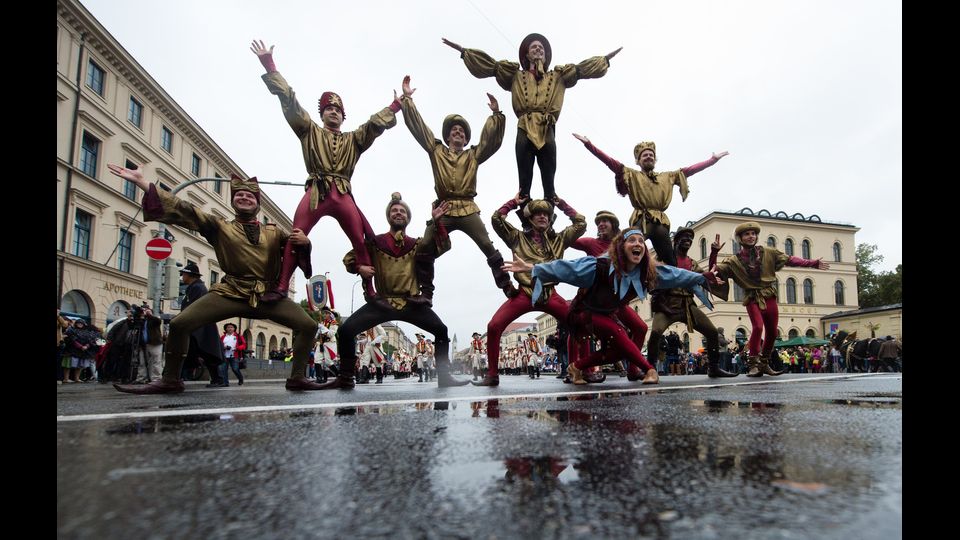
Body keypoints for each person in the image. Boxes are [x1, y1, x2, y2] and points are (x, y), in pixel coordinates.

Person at [107, 164, 322, 393]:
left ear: (257, 204)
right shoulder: (218, 226)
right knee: (180, 324)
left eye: (250, 195)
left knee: (308, 325)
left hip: (268, 295)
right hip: (231, 291)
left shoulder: (274, 232)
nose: (244, 198)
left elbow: (294, 253)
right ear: (233, 202)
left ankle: (298, 377)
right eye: (239, 195)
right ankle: (170, 380)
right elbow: (185, 210)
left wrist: (305, 244)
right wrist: (143, 183)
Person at [250, 39, 401, 303]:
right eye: (329, 109)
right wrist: (269, 64)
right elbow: (289, 100)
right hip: (316, 192)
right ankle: (282, 285)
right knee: (296, 234)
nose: (333, 112)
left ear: (344, 116)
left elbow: (374, 125)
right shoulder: (309, 130)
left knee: (361, 240)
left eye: (338, 110)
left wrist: (395, 107)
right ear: (322, 114)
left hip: (342, 192)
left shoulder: (353, 139)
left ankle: (370, 290)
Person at [502, 227, 720, 385]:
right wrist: (532, 267)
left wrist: (704, 277)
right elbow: (564, 268)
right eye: (632, 240)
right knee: (619, 333)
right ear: (620, 247)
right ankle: (649, 370)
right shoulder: (598, 266)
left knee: (616, 352)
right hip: (584, 313)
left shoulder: (649, 273)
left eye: (641, 241)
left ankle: (577, 367)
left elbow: (678, 275)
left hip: (607, 314)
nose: (638, 244)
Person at [442, 34, 621, 220]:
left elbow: (582, 70)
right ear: (526, 55)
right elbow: (491, 66)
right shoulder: (515, 75)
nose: (538, 49)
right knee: (524, 182)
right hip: (524, 127)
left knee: (549, 181)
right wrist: (464, 52)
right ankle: (526, 218)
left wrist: (605, 60)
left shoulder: (559, 75)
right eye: (534, 47)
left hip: (547, 128)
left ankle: (549, 215)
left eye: (541, 48)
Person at [322, 193, 471, 389]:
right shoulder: (375, 242)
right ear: (388, 216)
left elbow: (443, 246)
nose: (398, 213)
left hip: (411, 302)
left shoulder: (417, 245)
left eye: (402, 211)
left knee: (441, 330)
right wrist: (360, 268)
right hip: (381, 302)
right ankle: (346, 377)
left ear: (408, 218)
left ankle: (444, 377)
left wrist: (437, 223)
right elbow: (350, 259)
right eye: (394, 210)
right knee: (346, 330)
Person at [396, 75, 514, 303]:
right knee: (425, 245)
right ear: (448, 135)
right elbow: (419, 129)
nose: (458, 133)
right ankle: (426, 292)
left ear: (466, 137)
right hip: (443, 209)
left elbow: (492, 143)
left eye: (462, 131)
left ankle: (506, 284)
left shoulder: (473, 155)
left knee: (487, 244)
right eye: (454, 130)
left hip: (468, 207)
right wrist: (408, 101)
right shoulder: (436, 149)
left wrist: (497, 116)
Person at [475, 194, 586, 386]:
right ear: (529, 218)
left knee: (579, 323)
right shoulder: (516, 237)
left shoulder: (559, 240)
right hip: (524, 293)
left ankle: (579, 370)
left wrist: (561, 204)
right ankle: (492, 374)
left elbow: (581, 224)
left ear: (550, 218)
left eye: (546, 214)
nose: (542, 216)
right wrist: (513, 202)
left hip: (549, 293)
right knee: (493, 327)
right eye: (537, 214)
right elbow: (496, 219)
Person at [572, 134, 728, 266]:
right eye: (644, 155)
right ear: (638, 161)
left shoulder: (668, 176)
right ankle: (606, 263)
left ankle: (674, 283)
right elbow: (610, 163)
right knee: (623, 246)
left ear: (655, 159)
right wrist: (589, 144)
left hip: (660, 222)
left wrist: (712, 160)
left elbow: (689, 171)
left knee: (670, 260)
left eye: (651, 154)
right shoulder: (632, 174)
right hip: (642, 219)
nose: (648, 156)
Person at [712, 222, 830, 377]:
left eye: (753, 233)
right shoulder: (733, 261)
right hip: (752, 297)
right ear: (739, 238)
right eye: (747, 234)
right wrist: (714, 253)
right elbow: (713, 271)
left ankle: (764, 363)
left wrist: (812, 263)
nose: (751, 236)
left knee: (773, 332)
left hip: (769, 295)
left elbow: (790, 259)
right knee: (758, 327)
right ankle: (753, 364)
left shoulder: (768, 252)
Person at [646, 227, 737, 378]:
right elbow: (651, 282)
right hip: (667, 305)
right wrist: (658, 302)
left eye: (690, 238)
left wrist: (714, 253)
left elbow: (708, 276)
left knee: (712, 333)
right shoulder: (663, 259)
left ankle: (713, 368)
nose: (688, 239)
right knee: (655, 333)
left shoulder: (693, 264)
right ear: (676, 241)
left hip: (687, 305)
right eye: (684, 237)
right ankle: (649, 370)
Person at [177, 262, 226, 388]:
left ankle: (173, 378)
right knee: (204, 353)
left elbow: (193, 308)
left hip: (200, 328)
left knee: (202, 353)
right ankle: (217, 379)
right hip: (199, 327)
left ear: (190, 275)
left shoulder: (197, 288)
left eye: (184, 274)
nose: (182, 277)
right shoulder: (195, 287)